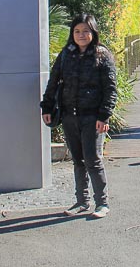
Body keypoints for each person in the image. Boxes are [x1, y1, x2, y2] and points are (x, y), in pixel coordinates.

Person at [41, 13, 117, 219]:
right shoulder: (66, 54)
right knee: (78, 160)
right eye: (77, 31)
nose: (81, 35)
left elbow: (110, 89)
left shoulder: (102, 55)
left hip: (93, 117)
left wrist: (104, 116)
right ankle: (82, 201)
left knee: (93, 159)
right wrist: (46, 107)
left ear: (93, 32)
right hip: (69, 115)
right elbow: (54, 81)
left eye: (85, 31)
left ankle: (102, 202)